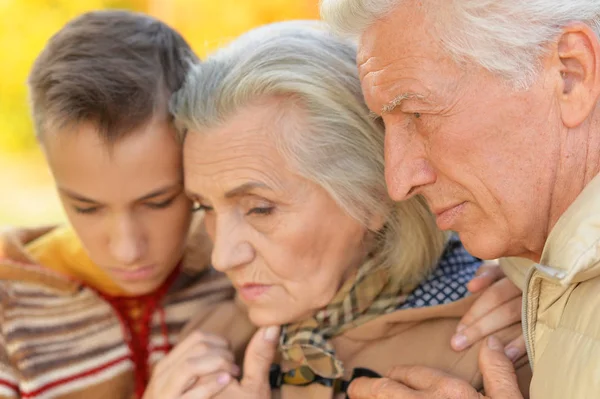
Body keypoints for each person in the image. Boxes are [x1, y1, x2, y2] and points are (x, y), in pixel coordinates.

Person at [163, 20, 530, 398]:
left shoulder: (501, 345)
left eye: (259, 209)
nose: (223, 257)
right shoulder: (205, 347)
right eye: (203, 206)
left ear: (373, 195)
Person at [320, 0, 600, 398]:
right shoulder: (527, 274)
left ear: (570, 75)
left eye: (417, 113)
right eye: (386, 124)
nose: (398, 182)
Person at [0, 10, 254, 399]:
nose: (127, 249)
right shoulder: (8, 311)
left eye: (159, 202)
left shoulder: (245, 274)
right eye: (87, 207)